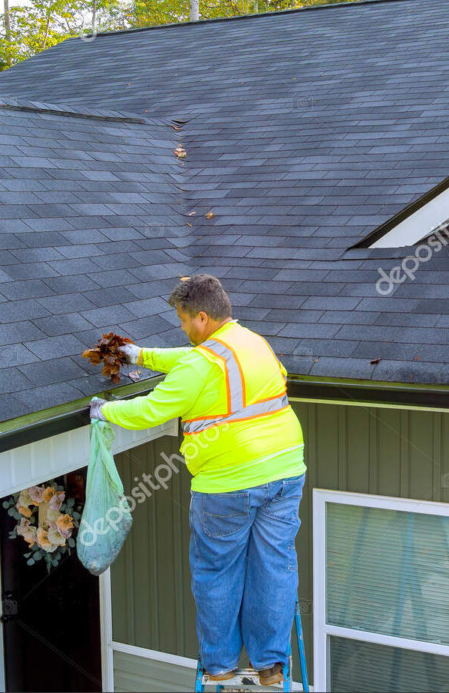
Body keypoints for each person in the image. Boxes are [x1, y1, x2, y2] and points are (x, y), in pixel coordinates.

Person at [90, 274, 306, 686]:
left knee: (218, 571)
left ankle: (221, 665)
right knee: (274, 566)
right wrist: (141, 356)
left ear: (202, 317)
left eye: (183, 320)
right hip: (285, 472)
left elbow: (151, 410)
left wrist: (105, 412)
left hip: (228, 484)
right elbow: (196, 361)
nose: (183, 328)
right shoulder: (253, 342)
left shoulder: (199, 364)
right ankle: (270, 666)